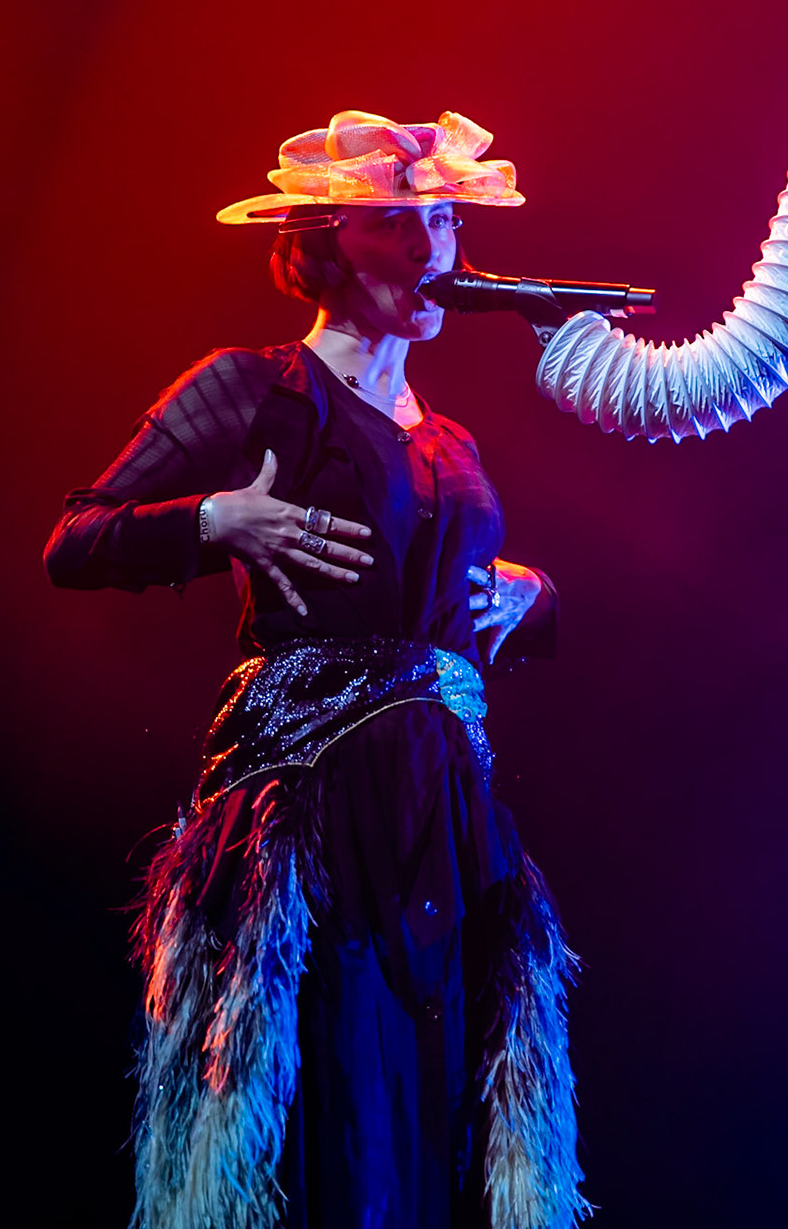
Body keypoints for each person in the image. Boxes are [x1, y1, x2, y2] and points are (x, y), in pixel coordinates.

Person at [45, 110, 588, 1229]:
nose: (438, 248)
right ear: (335, 240)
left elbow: (455, 599)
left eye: (445, 219)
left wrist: (532, 595)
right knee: (330, 1094)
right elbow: (76, 539)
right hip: (314, 805)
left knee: (440, 1101)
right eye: (405, 224)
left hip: (441, 815)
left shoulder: (451, 441)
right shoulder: (255, 389)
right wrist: (215, 518)